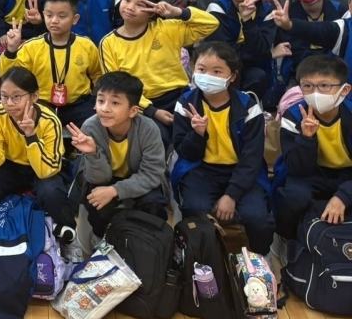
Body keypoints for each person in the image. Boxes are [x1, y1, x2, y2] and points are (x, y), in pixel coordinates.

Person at [171, 42, 274, 254]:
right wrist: (197, 135)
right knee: (195, 209)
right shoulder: (185, 104)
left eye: (217, 71)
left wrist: (231, 195)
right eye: (201, 69)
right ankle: (203, 259)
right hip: (200, 170)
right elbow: (184, 152)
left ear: (232, 76)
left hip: (242, 171)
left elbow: (252, 158)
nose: (207, 76)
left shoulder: (248, 108)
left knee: (257, 218)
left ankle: (260, 260)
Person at [0, 66, 75, 243]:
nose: (9, 103)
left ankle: (69, 239)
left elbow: (47, 170)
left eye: (16, 97)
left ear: (34, 96)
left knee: (52, 192)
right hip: (9, 166)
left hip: (42, 167)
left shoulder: (49, 121)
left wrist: (31, 136)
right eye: (4, 96)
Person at [101, 0, 218, 144]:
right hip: (142, 103)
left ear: (152, 11)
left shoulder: (167, 28)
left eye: (140, 4)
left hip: (180, 96)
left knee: (200, 134)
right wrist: (152, 111)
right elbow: (117, 86)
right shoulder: (108, 43)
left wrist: (177, 11)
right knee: (158, 138)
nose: (130, 7)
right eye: (127, 0)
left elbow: (211, 24)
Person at [66, 72, 169, 238]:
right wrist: (93, 153)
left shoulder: (148, 129)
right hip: (104, 178)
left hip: (139, 177)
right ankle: (104, 241)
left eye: (115, 103)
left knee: (154, 205)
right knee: (97, 205)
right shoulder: (90, 128)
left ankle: (144, 243)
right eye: (101, 100)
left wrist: (115, 190)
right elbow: (98, 179)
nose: (105, 108)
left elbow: (152, 174)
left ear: (133, 111)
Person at [0, 0, 102, 132]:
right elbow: (9, 76)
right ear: (43, 15)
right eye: (49, 15)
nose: (54, 21)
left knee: (96, 124)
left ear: (75, 19)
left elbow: (98, 75)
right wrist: (11, 51)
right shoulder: (31, 47)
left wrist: (100, 99)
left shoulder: (86, 46)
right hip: (42, 104)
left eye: (62, 16)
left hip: (78, 104)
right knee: (26, 121)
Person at [275, 54, 352, 237]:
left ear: (344, 90)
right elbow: (296, 169)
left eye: (324, 86)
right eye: (308, 86)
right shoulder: (294, 115)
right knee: (293, 197)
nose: (315, 93)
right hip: (312, 174)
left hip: (348, 175)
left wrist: (343, 195)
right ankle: (287, 239)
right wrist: (306, 139)